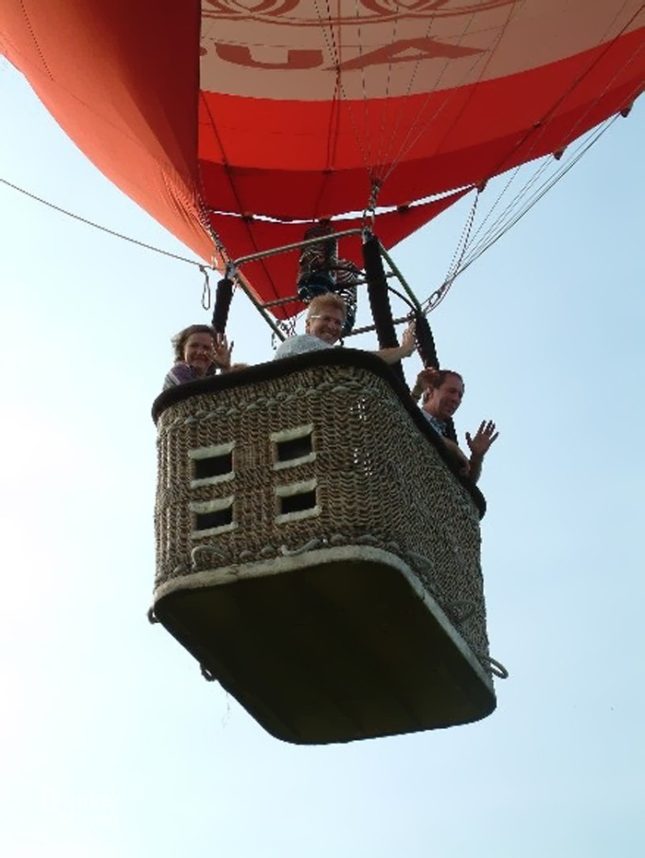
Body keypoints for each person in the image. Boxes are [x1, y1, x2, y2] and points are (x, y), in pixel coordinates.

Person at [273, 293, 416, 365]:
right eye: (326, 319)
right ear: (308, 324)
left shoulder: (326, 362)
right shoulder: (299, 342)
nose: (332, 326)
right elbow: (361, 360)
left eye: (338, 323)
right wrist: (404, 349)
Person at [416, 367, 498, 483]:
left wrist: (477, 457)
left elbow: (467, 484)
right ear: (431, 391)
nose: (456, 399)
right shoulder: (408, 410)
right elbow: (415, 428)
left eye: (460, 395)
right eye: (451, 391)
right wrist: (453, 448)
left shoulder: (449, 438)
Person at [163, 324, 233, 390]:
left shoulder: (207, 381)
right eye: (194, 346)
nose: (200, 352)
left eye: (206, 348)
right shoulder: (179, 372)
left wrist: (225, 368)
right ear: (183, 349)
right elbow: (197, 399)